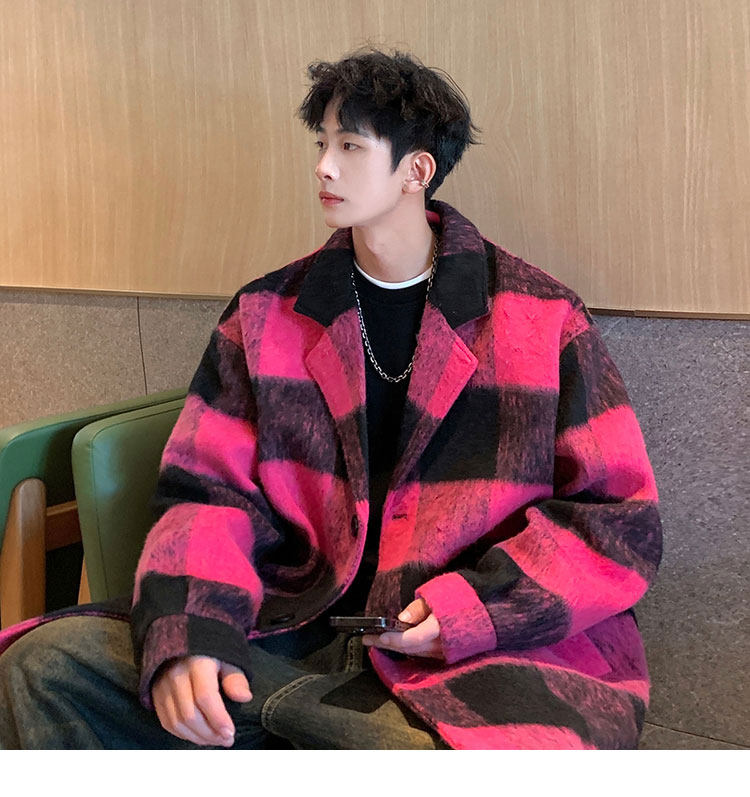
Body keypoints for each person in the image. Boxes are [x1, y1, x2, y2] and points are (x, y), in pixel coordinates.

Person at [0, 48, 662, 750]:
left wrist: (473, 608)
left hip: (463, 660)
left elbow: (618, 522)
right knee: (45, 666)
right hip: (283, 629)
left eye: (350, 146)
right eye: (322, 143)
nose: (323, 166)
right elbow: (206, 494)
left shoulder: (541, 318)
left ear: (416, 171)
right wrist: (190, 631)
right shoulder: (263, 315)